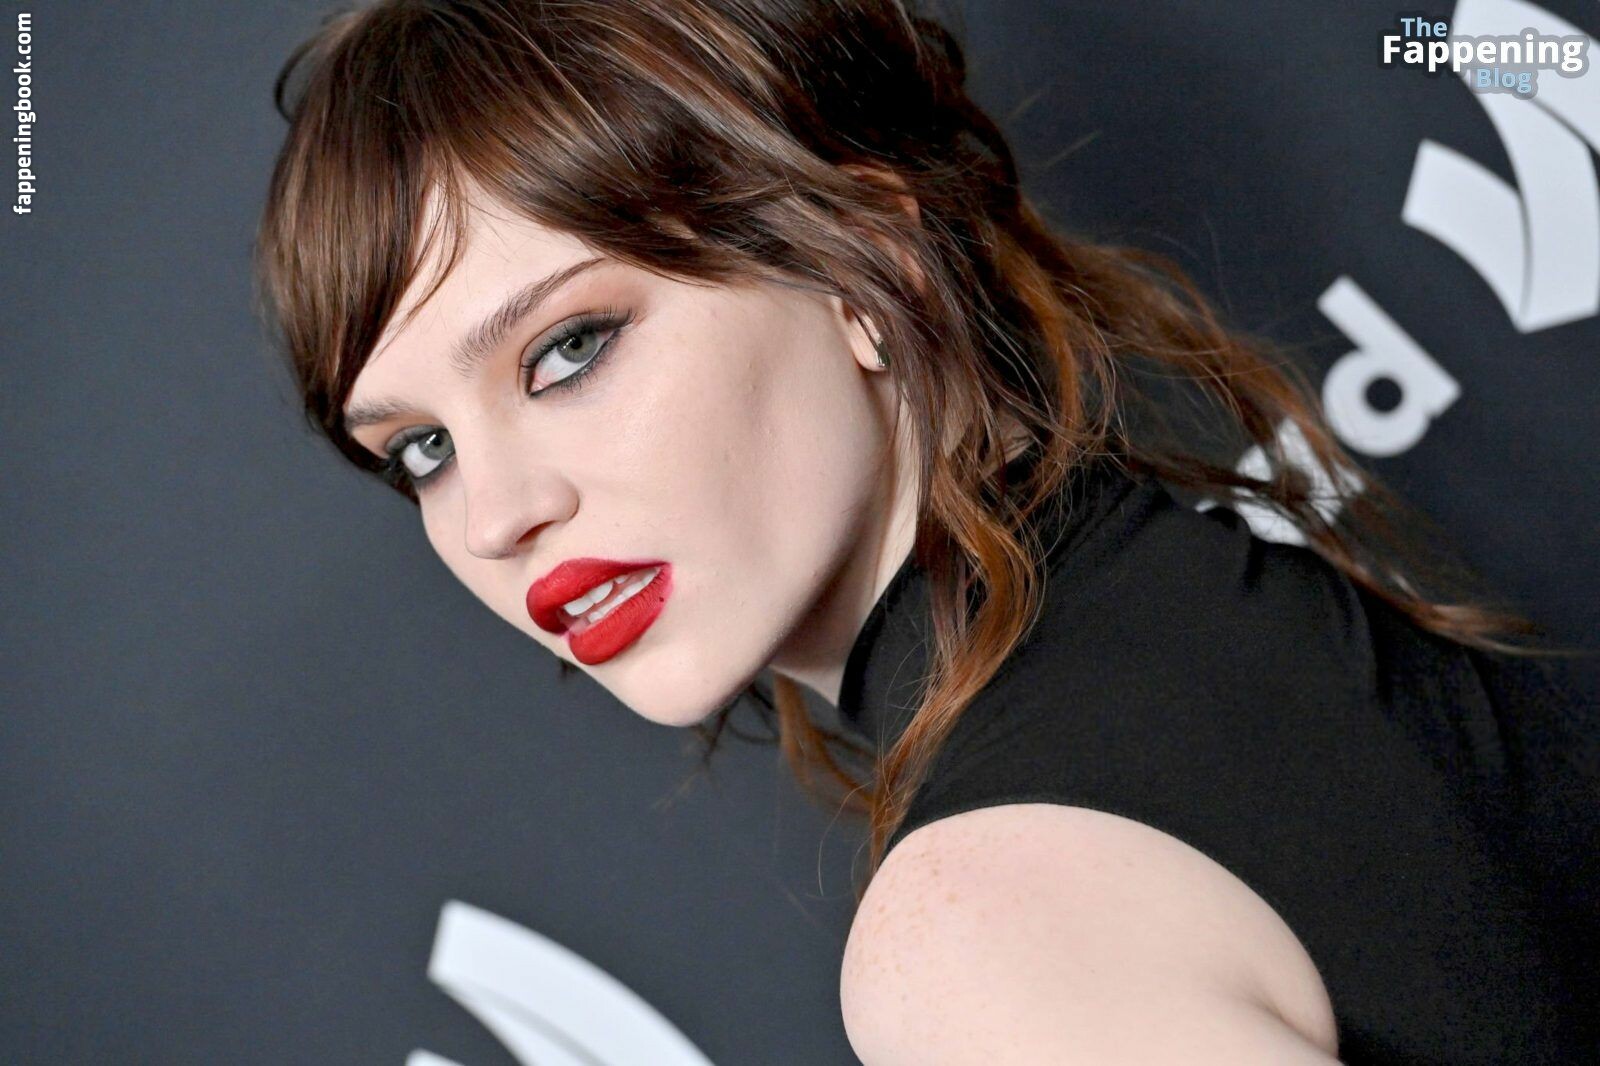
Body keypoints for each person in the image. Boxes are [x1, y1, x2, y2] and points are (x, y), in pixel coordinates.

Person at [253, 1, 1598, 1062]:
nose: (497, 516)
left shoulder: (982, 928)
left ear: (866, 265)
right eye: (420, 450)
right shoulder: (1228, 606)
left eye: (567, 349)